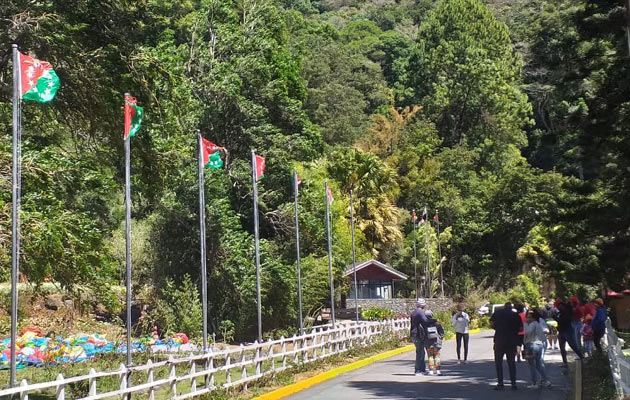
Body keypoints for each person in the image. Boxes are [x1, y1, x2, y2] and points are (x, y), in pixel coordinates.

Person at [490, 301, 523, 390]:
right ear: (511, 307)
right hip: (512, 341)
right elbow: (520, 328)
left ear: (504, 307)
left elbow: (491, 324)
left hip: (499, 340)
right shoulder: (516, 315)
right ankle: (513, 383)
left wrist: (498, 328)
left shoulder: (497, 313)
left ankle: (500, 383)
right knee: (511, 363)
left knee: (498, 363)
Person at [524, 310, 551, 388]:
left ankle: (534, 382)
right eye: (527, 317)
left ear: (533, 318)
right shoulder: (539, 323)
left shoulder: (531, 324)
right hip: (540, 345)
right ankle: (546, 380)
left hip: (532, 345)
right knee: (539, 364)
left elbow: (528, 332)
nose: (527, 319)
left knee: (531, 365)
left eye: (529, 317)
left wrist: (526, 325)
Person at [555, 298, 584, 367]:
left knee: (573, 345)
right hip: (562, 331)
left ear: (561, 305)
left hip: (567, 330)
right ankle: (565, 363)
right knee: (562, 347)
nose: (557, 308)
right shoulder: (562, 312)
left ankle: (582, 357)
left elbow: (565, 320)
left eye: (558, 307)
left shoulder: (567, 311)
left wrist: (557, 319)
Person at [410, 298, 429, 376]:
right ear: (423, 305)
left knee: (421, 352)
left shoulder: (414, 312)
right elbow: (426, 321)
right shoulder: (420, 312)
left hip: (414, 334)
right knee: (420, 353)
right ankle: (418, 370)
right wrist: (434, 321)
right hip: (417, 334)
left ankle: (422, 369)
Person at [425, 310, 445, 375]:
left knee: (430, 356)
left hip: (428, 342)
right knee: (437, 356)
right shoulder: (437, 323)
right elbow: (441, 332)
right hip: (437, 342)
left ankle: (431, 370)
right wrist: (440, 338)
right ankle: (438, 370)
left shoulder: (424, 324)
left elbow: (423, 333)